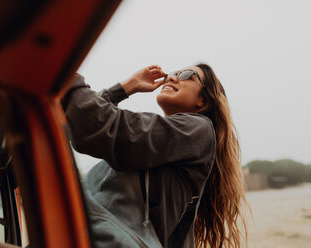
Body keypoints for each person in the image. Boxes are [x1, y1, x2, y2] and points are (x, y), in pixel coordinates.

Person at [62, 63, 248, 248]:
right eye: (172, 74)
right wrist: (128, 86)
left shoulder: (199, 129)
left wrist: (63, 73)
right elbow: (75, 124)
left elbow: (103, 127)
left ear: (203, 100)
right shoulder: (160, 144)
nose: (172, 78)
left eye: (187, 75)